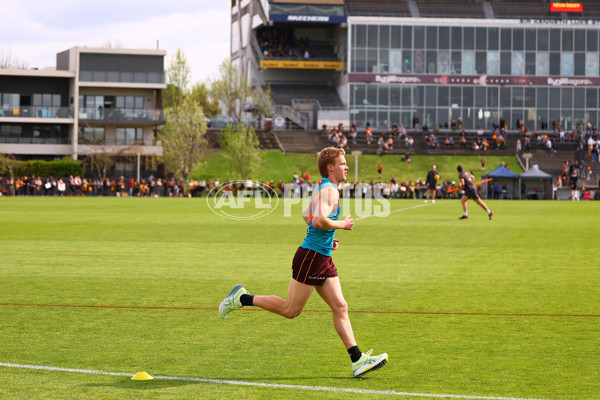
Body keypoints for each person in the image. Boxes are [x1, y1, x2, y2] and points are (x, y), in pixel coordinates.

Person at [218, 147, 388, 378]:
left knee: (340, 306)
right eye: (343, 163)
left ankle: (357, 360)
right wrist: (341, 225)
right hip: (311, 257)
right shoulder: (330, 191)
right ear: (331, 167)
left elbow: (306, 214)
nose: (346, 167)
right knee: (291, 310)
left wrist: (328, 239)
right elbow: (317, 220)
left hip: (321, 256)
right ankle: (241, 298)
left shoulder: (323, 188)